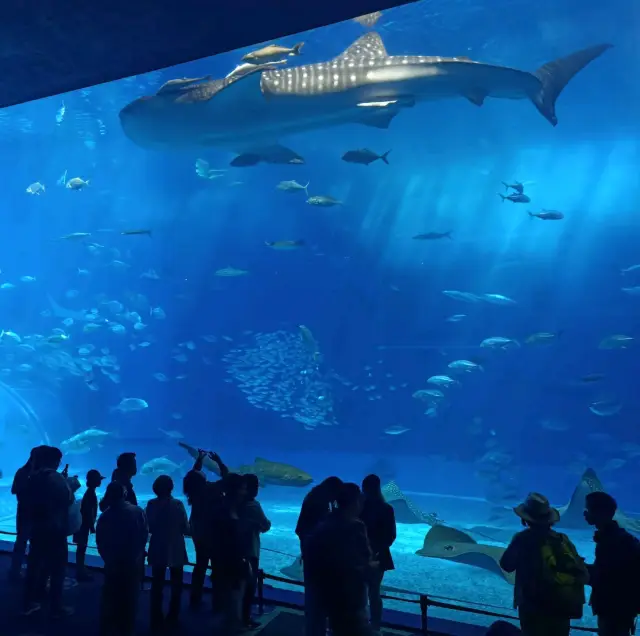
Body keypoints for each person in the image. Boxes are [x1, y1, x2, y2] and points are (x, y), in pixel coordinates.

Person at [500, 492, 588, 636]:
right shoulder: (562, 539)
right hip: (560, 605)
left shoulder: (522, 539)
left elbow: (506, 565)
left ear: (525, 519)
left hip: (532, 606)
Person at [304, 482, 374, 636]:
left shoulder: (324, 524)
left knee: (337, 627)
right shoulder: (355, 526)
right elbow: (363, 557)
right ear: (355, 502)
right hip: (350, 592)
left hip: (329, 591)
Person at [584, 491, 640, 636]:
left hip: (614, 608)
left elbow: (605, 577)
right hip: (622, 608)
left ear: (600, 513)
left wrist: (579, 569)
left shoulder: (611, 542)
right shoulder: (620, 538)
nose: (585, 514)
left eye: (589, 510)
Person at [96, 481, 148, 636]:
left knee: (110, 594)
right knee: (130, 596)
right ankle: (126, 627)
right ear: (124, 494)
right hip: (132, 562)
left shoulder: (105, 515)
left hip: (112, 562)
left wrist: (108, 559)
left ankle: (107, 626)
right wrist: (137, 556)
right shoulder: (137, 512)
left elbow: (100, 541)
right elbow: (143, 536)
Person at [183, 448, 229, 609]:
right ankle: (218, 600)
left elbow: (193, 473)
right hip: (213, 531)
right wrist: (219, 462)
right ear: (201, 480)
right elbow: (227, 479)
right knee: (217, 565)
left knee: (200, 563)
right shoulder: (210, 489)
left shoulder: (192, 490)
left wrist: (200, 460)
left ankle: (195, 597)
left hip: (197, 529)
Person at [145, 475, 190, 632]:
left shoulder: (151, 505)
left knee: (157, 584)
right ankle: (173, 616)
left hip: (158, 547)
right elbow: (185, 527)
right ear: (171, 488)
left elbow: (148, 527)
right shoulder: (178, 505)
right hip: (176, 548)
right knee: (177, 583)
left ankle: (156, 617)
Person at [210, 473, 250, 635]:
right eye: (242, 489)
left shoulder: (225, 509)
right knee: (232, 600)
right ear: (234, 491)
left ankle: (231, 626)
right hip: (229, 564)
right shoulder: (224, 512)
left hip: (228, 563)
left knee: (233, 600)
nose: (244, 493)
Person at [360, 474, 396, 634]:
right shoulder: (386, 508)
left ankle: (361, 624)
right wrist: (377, 550)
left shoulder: (358, 506)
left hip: (359, 555)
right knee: (374, 592)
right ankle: (375, 626)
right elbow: (391, 535)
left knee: (361, 591)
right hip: (378, 555)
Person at [240, 473, 271, 629]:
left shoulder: (233, 503)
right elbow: (265, 525)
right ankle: (245, 618)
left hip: (233, 549)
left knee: (235, 584)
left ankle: (232, 616)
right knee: (249, 585)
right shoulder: (254, 506)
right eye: (256, 486)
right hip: (250, 550)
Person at [8, 448, 37, 581]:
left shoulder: (37, 473)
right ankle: (15, 571)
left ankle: (30, 570)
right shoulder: (23, 472)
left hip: (36, 513)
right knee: (21, 542)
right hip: (25, 512)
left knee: (33, 543)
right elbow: (14, 490)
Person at [295, 476, 343, 553]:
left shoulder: (317, 494)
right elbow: (321, 520)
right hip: (311, 536)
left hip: (307, 534)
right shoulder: (320, 499)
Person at [73, 469, 105, 582]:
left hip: (83, 524)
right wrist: (91, 526)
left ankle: (80, 569)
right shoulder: (90, 493)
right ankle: (80, 571)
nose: (100, 481)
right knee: (81, 548)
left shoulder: (90, 492)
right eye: (99, 479)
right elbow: (87, 511)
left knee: (82, 547)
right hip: (83, 525)